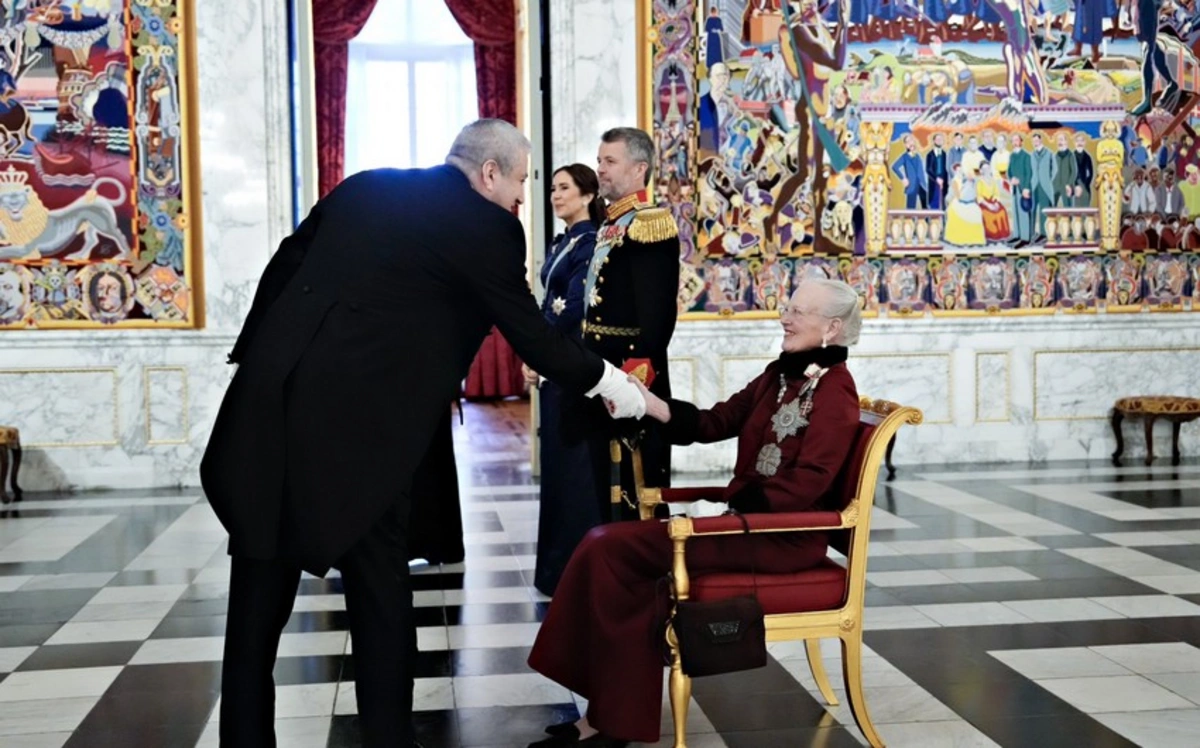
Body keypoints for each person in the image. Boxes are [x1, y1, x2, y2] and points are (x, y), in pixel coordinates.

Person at [199, 119, 648, 748]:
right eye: (520, 181)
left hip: (267, 415)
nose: (523, 197)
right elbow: (532, 335)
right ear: (490, 173)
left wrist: (264, 365)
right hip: (363, 439)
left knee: (255, 602)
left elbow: (284, 270)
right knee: (380, 597)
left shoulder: (364, 188)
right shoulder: (488, 225)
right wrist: (616, 386)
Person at [527, 279, 863, 747]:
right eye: (787, 306)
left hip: (781, 538)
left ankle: (610, 721)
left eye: (798, 312)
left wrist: (737, 509)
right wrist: (646, 403)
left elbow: (811, 482)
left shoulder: (836, 392)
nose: (784, 317)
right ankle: (607, 716)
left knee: (609, 549)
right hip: (748, 526)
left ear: (832, 327)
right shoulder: (779, 374)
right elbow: (714, 422)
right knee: (605, 547)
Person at [562, 127, 680, 530]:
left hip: (630, 375)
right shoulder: (612, 223)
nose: (601, 170)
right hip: (601, 370)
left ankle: (641, 577)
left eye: (610, 162)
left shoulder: (649, 223)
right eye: (599, 161)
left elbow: (656, 317)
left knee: (634, 487)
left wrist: (634, 385)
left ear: (639, 168)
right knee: (603, 485)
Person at [527, 164, 606, 595]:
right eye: (553, 188)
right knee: (558, 469)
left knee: (573, 472)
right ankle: (557, 571)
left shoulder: (590, 241)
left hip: (572, 362)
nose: (556, 195)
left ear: (587, 194)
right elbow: (549, 303)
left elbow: (574, 307)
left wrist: (539, 350)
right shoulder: (565, 240)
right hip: (555, 361)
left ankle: (575, 571)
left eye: (564, 188)